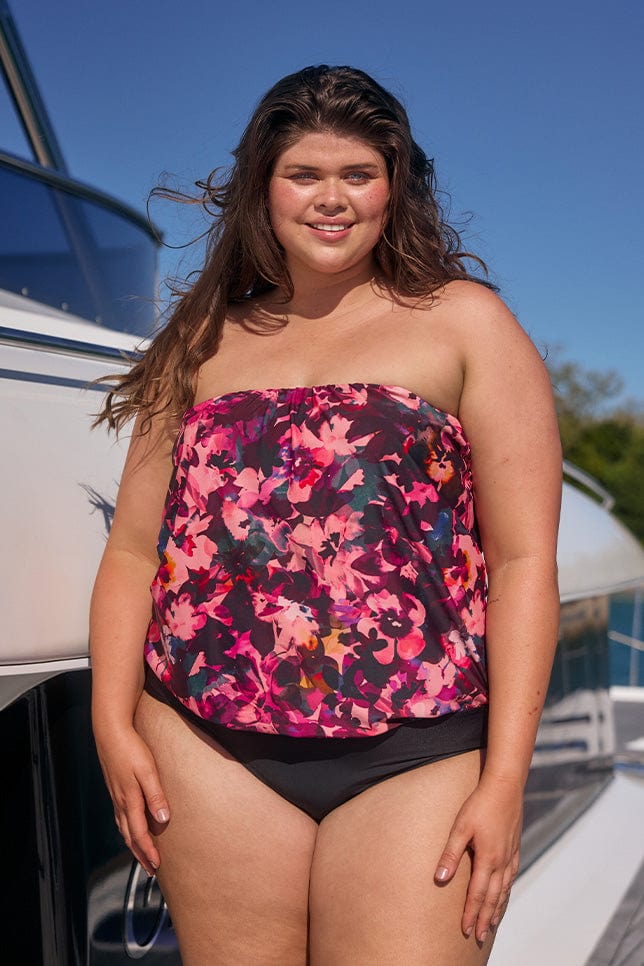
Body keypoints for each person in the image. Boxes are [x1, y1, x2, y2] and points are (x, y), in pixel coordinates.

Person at [90, 65, 562, 965]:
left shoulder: (465, 324)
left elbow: (524, 563)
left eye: (359, 174)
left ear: (395, 185)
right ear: (263, 188)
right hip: (207, 745)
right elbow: (130, 552)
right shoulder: (202, 339)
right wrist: (113, 724)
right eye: (305, 174)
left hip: (417, 751)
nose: (332, 200)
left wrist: (505, 783)